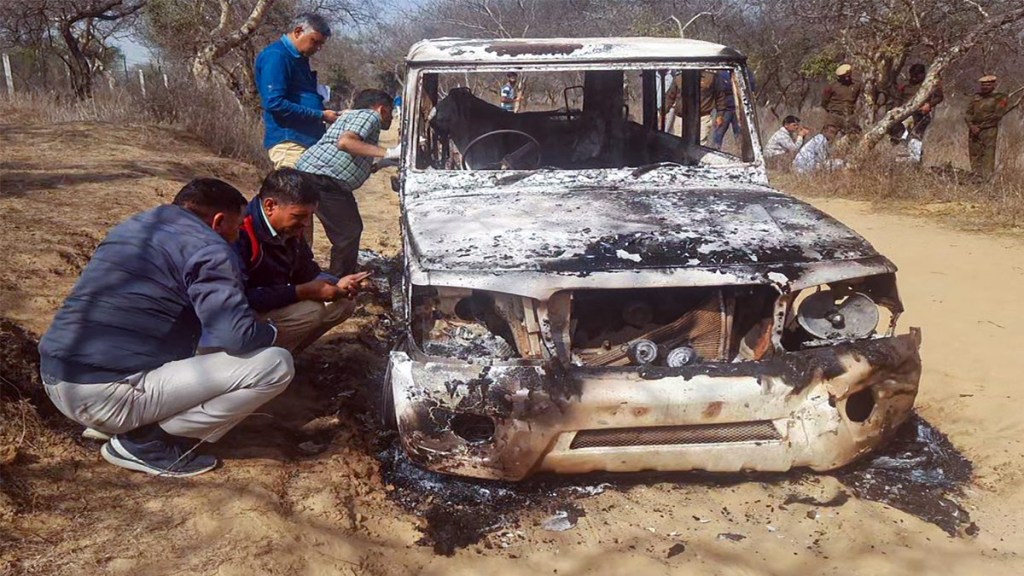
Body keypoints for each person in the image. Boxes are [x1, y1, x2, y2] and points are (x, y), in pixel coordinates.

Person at [38, 179, 292, 477]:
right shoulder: (210, 247)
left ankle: (119, 425)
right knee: (275, 364)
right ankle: (147, 443)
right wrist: (271, 332)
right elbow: (235, 336)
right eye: (236, 229)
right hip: (106, 395)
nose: (236, 238)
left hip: (57, 378)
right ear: (218, 221)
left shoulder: (135, 227)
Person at [234, 168, 370, 354]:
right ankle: (261, 363)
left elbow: (306, 269)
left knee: (344, 303)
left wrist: (336, 283)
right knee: (310, 311)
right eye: (299, 216)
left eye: (309, 216)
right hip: (242, 316)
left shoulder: (289, 229)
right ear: (270, 206)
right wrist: (299, 292)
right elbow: (238, 298)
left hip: (271, 302)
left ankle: (287, 354)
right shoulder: (240, 233)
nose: (306, 223)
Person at [296, 89, 399, 277]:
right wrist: (389, 152)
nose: (391, 117)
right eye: (391, 112)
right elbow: (345, 143)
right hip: (324, 179)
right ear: (382, 109)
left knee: (302, 231)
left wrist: (380, 164)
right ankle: (340, 285)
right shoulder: (370, 116)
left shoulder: (353, 116)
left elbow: (351, 159)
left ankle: (306, 276)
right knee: (348, 233)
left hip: (312, 174)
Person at [256, 12, 336, 244]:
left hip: (306, 142)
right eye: (315, 41)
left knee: (304, 209)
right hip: (290, 142)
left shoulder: (299, 59)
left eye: (321, 43)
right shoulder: (276, 56)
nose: (318, 48)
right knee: (294, 207)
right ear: (298, 31)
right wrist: (319, 114)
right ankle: (290, 267)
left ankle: (302, 264)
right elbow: (273, 102)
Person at [965, 75, 1010, 180]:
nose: (985, 87)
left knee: (988, 156)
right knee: (975, 155)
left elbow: (998, 115)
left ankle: (987, 182)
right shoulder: (976, 97)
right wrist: (972, 126)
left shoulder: (1000, 97)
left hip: (989, 130)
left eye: (988, 84)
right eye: (983, 85)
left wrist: (980, 127)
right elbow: (968, 113)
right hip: (973, 130)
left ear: (994, 85)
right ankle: (976, 179)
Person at [663, 70, 718, 145]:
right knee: (678, 144)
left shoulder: (711, 78)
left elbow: (720, 96)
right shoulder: (678, 78)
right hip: (680, 118)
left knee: (700, 146)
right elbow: (670, 96)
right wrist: (662, 111)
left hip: (703, 118)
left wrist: (720, 114)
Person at [894, 63, 944, 140]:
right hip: (905, 114)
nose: (914, 78)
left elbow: (939, 97)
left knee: (916, 138)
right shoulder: (905, 85)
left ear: (922, 74)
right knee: (900, 136)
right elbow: (898, 99)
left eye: (917, 75)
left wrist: (929, 105)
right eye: (913, 75)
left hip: (921, 114)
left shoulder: (929, 84)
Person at [822, 64, 863, 135]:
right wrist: (831, 110)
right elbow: (824, 101)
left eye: (848, 75)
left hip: (849, 117)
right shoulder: (832, 86)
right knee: (828, 137)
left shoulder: (857, 85)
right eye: (844, 76)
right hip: (834, 116)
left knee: (853, 137)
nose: (847, 78)